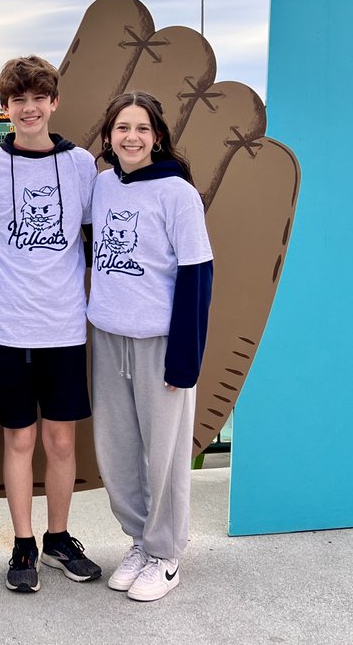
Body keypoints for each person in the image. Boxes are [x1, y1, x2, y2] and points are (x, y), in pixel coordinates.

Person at [0, 55, 102, 592]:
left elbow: (100, 239)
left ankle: (59, 538)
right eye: (17, 100)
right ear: (5, 109)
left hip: (66, 327)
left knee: (62, 443)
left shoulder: (81, 166)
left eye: (37, 97)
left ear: (54, 102)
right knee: (19, 441)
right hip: (6, 328)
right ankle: (23, 545)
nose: (29, 108)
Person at [88, 92, 213, 602]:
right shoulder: (101, 185)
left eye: (141, 128)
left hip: (160, 341)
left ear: (157, 136)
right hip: (107, 336)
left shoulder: (177, 194)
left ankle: (166, 554)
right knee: (117, 450)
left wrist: (185, 359)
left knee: (163, 454)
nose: (131, 137)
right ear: (110, 136)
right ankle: (138, 541)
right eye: (122, 128)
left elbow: (198, 274)